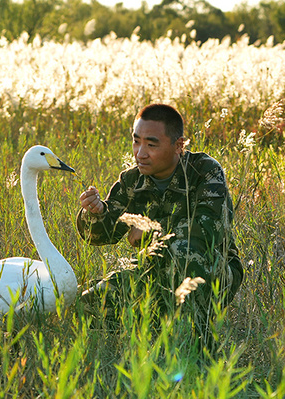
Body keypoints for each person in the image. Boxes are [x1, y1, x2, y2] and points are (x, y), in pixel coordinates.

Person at [77, 103, 243, 346]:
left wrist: (151, 230)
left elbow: (207, 232)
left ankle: (198, 344)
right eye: (136, 141)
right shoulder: (132, 180)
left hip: (211, 269)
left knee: (183, 253)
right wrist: (96, 212)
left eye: (151, 144)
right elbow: (100, 236)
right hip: (153, 268)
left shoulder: (204, 171)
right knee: (86, 303)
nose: (140, 153)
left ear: (178, 145)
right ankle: (149, 326)